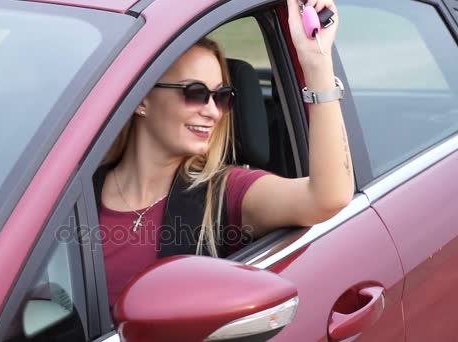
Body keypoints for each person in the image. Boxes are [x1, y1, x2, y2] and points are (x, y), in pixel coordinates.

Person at [93, 0, 353, 306]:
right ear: (141, 100)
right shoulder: (78, 189)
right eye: (195, 93)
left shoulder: (224, 193)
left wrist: (316, 64)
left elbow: (328, 197)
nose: (213, 111)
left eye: (222, 97)